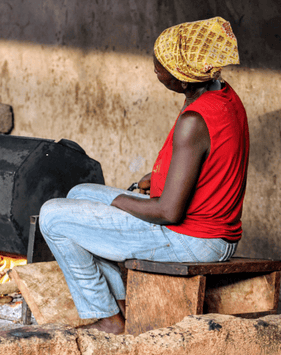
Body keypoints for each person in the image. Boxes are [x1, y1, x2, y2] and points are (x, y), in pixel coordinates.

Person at [39, 17, 249, 335]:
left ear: (181, 80)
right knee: (79, 193)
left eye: (160, 67)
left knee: (52, 217)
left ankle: (107, 319)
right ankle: (124, 305)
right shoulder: (222, 96)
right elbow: (208, 161)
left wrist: (118, 200)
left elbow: (168, 212)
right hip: (213, 231)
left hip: (194, 240)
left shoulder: (194, 120)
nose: (155, 69)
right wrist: (160, 176)